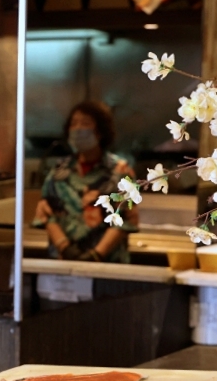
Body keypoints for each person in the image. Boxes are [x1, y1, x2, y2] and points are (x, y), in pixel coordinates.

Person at [32, 100, 139, 262]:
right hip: (63, 264)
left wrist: (96, 255)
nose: (78, 129)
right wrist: (65, 248)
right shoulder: (59, 171)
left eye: (85, 123)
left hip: (108, 264)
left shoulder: (121, 171)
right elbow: (47, 214)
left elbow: (125, 219)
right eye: (73, 123)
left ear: (100, 132)